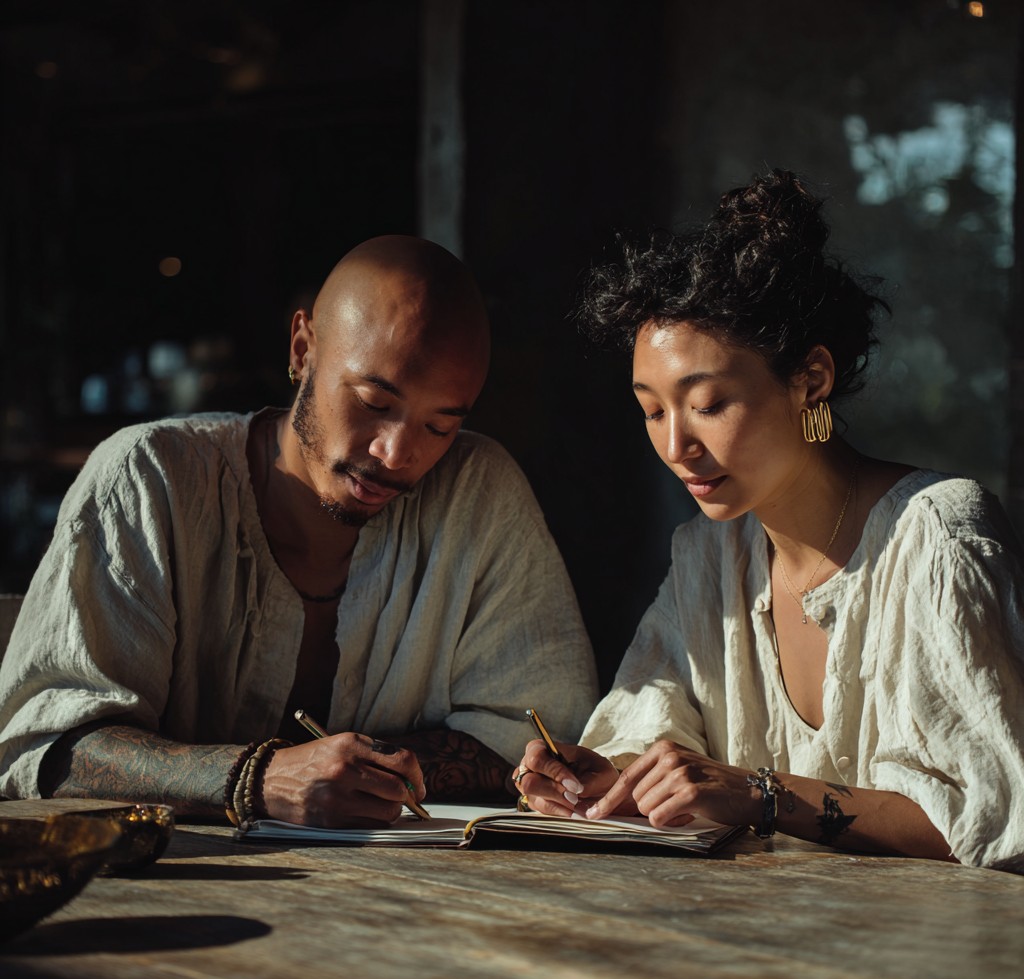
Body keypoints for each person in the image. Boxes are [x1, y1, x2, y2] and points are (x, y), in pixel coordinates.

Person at [513, 169, 1024, 871]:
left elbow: (991, 815)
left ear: (811, 379)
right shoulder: (709, 559)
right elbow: (652, 729)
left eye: (709, 403)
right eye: (653, 410)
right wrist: (609, 782)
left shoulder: (936, 536)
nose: (675, 447)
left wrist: (760, 793)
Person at [0, 235, 598, 829]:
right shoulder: (149, 479)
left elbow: (539, 743)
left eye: (439, 426)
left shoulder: (478, 491)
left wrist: (359, 776)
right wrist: (256, 779)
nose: (396, 453)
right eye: (372, 401)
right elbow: (48, 747)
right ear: (303, 348)